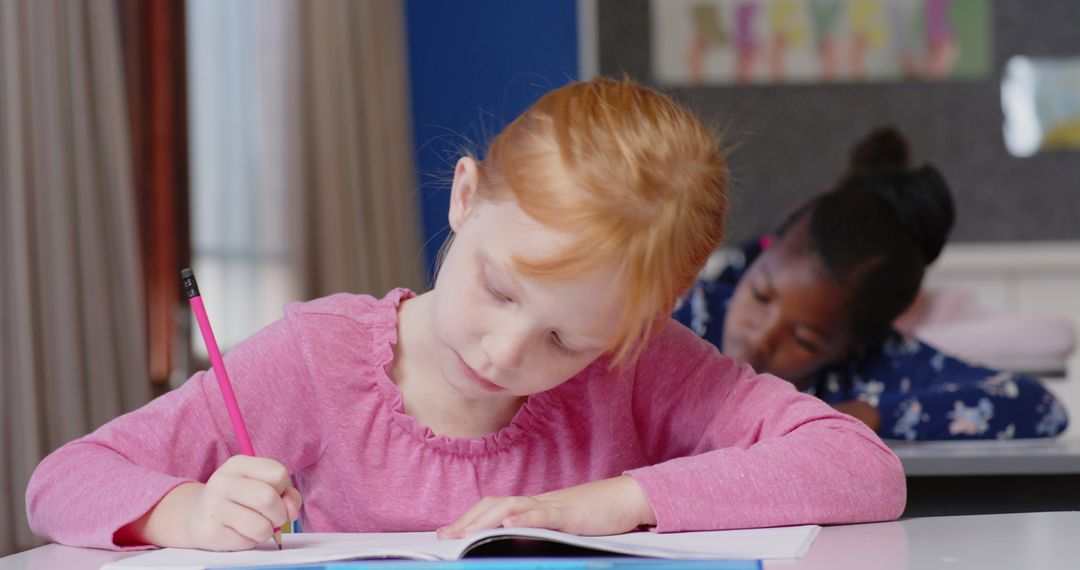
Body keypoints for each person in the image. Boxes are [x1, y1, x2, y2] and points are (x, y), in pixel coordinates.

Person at [26, 79, 905, 553]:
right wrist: (183, 514)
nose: (505, 350)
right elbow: (62, 480)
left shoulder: (644, 364)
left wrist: (614, 502)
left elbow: (863, 470)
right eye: (500, 287)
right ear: (464, 195)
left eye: (569, 339)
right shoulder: (316, 358)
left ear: (645, 318)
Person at [674, 127, 1069, 441]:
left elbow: (1039, 406)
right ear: (761, 253)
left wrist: (869, 414)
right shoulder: (681, 310)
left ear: (854, 346)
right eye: (761, 295)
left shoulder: (872, 371)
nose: (763, 336)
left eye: (806, 339)